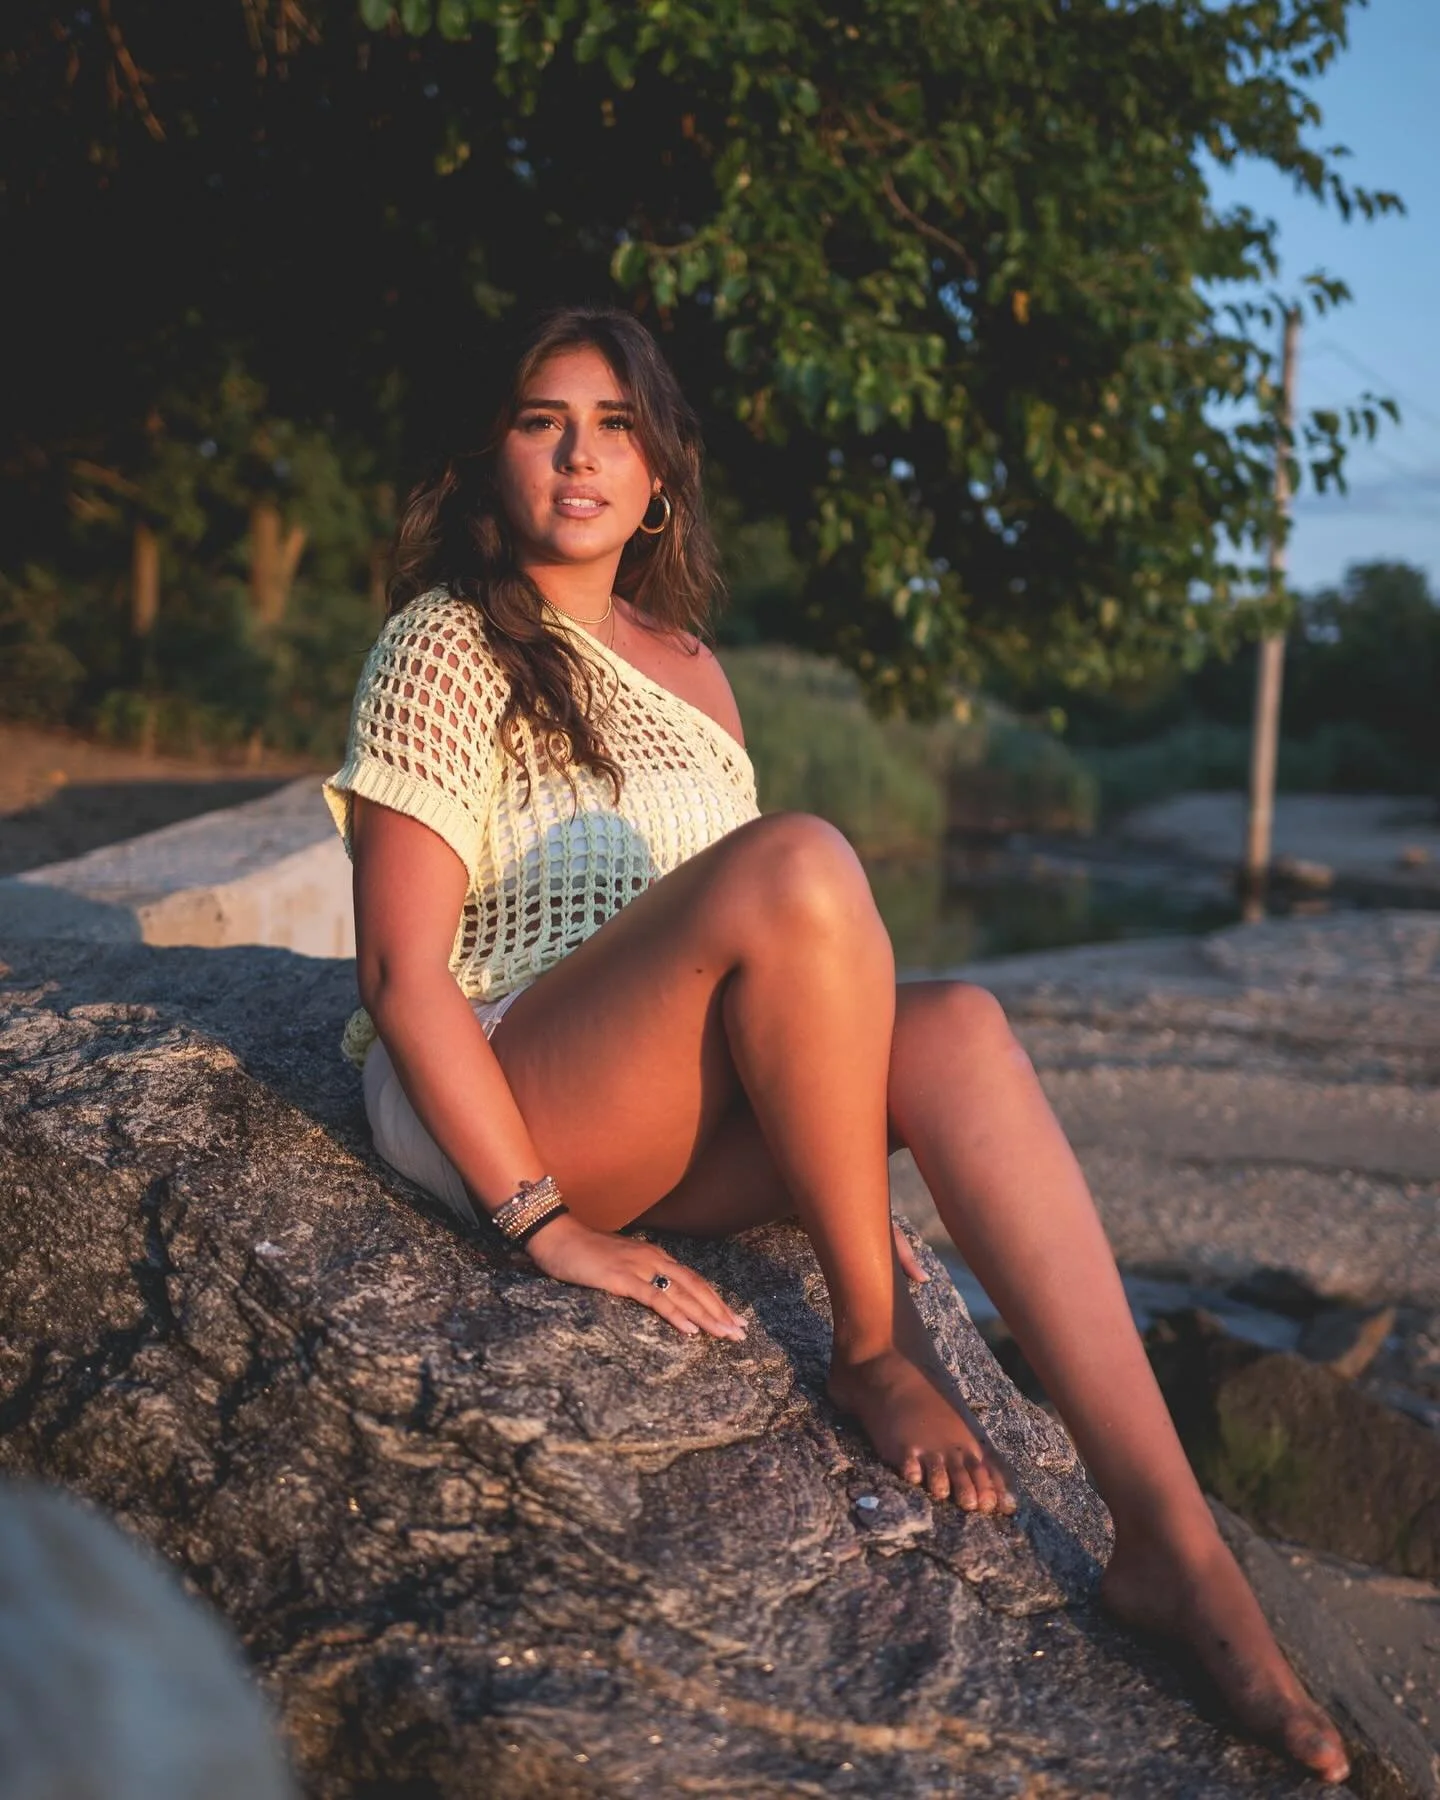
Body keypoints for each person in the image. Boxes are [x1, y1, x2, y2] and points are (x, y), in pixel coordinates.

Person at [323, 306, 1348, 1785]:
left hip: (654, 1098)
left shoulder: (694, 672)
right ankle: (874, 1349)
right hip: (490, 1075)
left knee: (965, 1036)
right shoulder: (444, 641)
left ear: (660, 477)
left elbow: (772, 985)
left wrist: (834, 1172)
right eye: (544, 418)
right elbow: (400, 976)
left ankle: (1172, 1549)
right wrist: (543, 1228)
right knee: (803, 859)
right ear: (492, 456)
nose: (579, 452)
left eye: (615, 424)